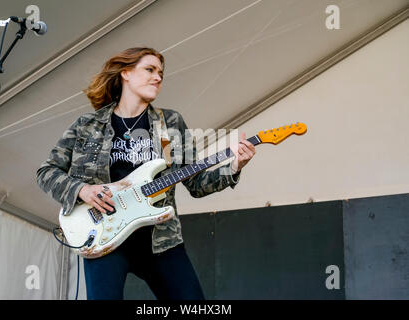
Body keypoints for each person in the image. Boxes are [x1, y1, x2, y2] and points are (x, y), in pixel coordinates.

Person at [36, 47, 256, 300]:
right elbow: (46, 171)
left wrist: (234, 166)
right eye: (150, 69)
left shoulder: (170, 123)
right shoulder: (87, 125)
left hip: (160, 240)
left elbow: (196, 184)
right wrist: (82, 190)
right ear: (126, 73)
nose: (158, 77)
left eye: (161, 73)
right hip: (104, 237)